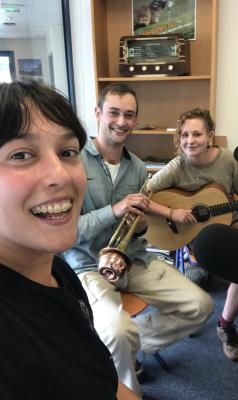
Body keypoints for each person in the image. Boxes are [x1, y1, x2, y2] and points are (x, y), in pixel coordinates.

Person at [61, 83, 213, 396]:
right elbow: (68, 232)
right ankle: (127, 380)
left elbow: (139, 227)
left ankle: (123, 347)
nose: (121, 121)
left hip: (134, 259)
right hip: (89, 265)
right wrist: (113, 211)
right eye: (114, 112)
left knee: (201, 306)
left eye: (129, 115)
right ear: (98, 114)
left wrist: (142, 226)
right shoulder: (73, 162)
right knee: (117, 329)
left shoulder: (137, 167)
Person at [0, 80, 140, 400]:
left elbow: (100, 377)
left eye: (67, 152)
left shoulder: (59, 274)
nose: (61, 176)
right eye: (21, 155)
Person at [148, 108, 238, 361]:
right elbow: (145, 194)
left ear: (210, 136)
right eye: (185, 134)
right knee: (219, 254)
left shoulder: (228, 160)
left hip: (230, 220)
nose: (190, 140)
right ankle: (200, 270)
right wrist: (171, 212)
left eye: (197, 134)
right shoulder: (177, 166)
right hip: (195, 231)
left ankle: (225, 324)